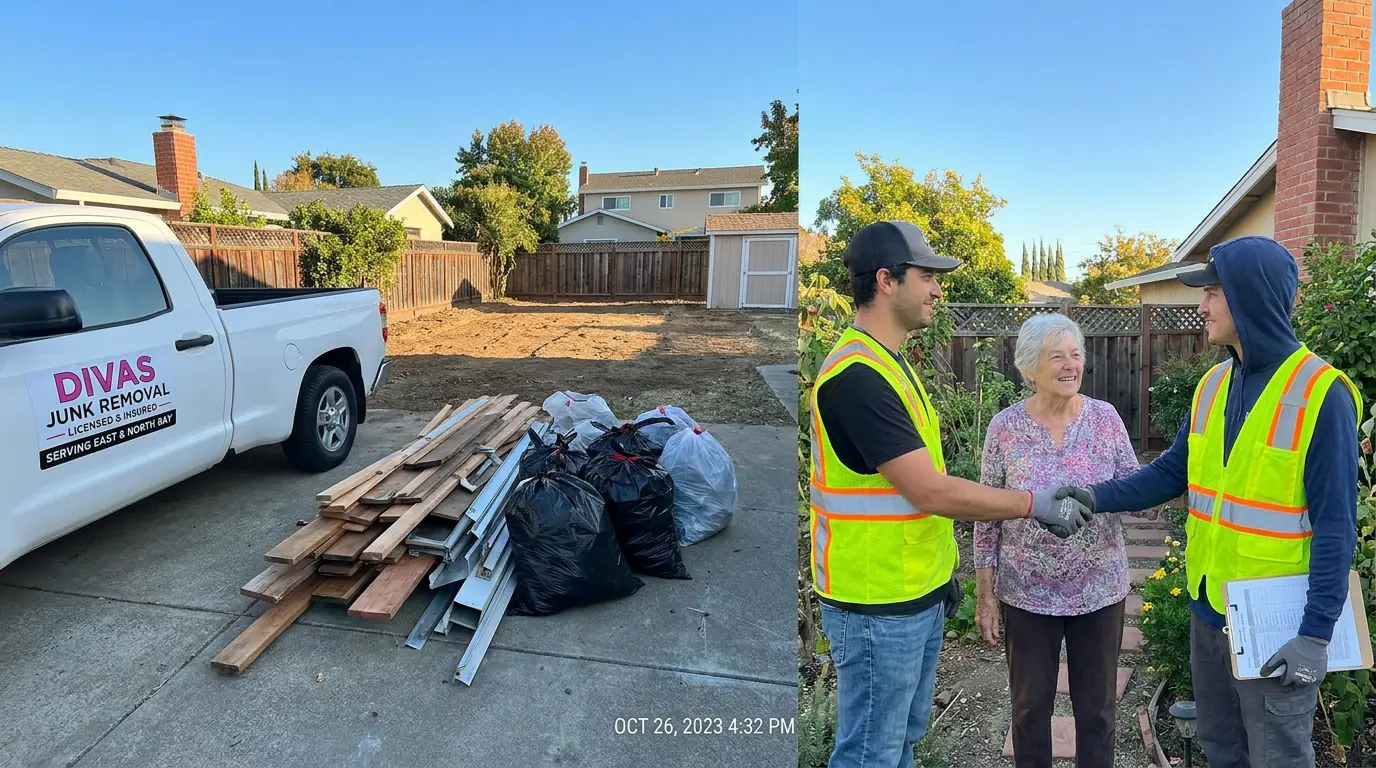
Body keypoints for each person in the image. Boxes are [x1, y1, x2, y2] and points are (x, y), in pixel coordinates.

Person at [1058, 235, 1362, 768]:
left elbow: (1337, 527)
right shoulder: (1214, 385)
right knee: (1221, 747)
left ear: (1248, 297)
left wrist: (1315, 636)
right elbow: (1172, 473)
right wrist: (1092, 497)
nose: (1201, 306)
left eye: (1212, 293)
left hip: (1277, 622)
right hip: (1209, 608)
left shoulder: (1321, 394)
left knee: (1278, 757)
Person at [809, 220, 1094, 768]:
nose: (939, 289)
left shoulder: (889, 364)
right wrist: (1035, 503)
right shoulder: (857, 377)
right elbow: (930, 490)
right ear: (887, 281)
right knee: (871, 753)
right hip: (876, 603)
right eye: (928, 276)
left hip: (911, 592)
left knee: (899, 745)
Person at [974, 313, 1155, 768]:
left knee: (1097, 711)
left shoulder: (1105, 419)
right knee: (1030, 710)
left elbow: (1135, 489)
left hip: (1099, 590)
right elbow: (986, 514)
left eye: (1076, 354)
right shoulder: (1005, 428)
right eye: (1057, 356)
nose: (1070, 364)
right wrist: (985, 593)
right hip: (1026, 593)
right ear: (1029, 367)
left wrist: (1148, 495)